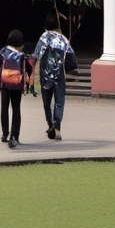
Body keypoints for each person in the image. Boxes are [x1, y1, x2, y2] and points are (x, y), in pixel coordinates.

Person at [33, 12, 76, 141]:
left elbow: (36, 55)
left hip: (46, 75)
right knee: (59, 102)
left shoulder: (44, 37)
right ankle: (57, 128)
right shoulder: (63, 38)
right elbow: (71, 55)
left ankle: (50, 124)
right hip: (59, 74)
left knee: (47, 102)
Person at [0, 29, 33, 148]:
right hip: (16, 85)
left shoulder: (2, 53)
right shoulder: (21, 56)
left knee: (4, 108)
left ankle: (4, 134)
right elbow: (29, 70)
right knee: (16, 109)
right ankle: (15, 135)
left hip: (4, 84)